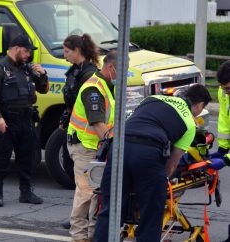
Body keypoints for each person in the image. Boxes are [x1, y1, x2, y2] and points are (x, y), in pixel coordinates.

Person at [94, 84, 212, 242]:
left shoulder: (152, 99)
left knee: (110, 211)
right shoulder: (189, 123)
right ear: (198, 106)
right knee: (151, 215)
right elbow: (172, 163)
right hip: (148, 153)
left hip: (118, 147)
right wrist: (160, 181)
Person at [0, 34, 49, 207]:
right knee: (2, 159)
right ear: (16, 48)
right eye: (26, 51)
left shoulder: (27, 69)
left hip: (25, 120)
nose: (28, 55)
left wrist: (42, 74)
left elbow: (43, 90)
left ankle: (26, 192)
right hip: (7, 121)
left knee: (26, 158)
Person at [67, 50, 117, 242]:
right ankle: (79, 237)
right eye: (123, 70)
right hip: (84, 146)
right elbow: (97, 123)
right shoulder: (93, 88)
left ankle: (93, 235)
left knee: (98, 194)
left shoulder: (106, 84)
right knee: (86, 192)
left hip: (97, 147)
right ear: (112, 68)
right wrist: (114, 144)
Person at [60, 33, 99, 230]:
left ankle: (82, 223)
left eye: (67, 52)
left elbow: (85, 106)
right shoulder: (76, 70)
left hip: (85, 138)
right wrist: (65, 119)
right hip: (74, 130)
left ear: (77, 51)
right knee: (80, 183)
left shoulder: (89, 74)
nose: (64, 55)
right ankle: (79, 218)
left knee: (85, 185)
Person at [210, 60, 230, 159]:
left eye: (229, 88)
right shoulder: (223, 92)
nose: (226, 92)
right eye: (224, 88)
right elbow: (224, 118)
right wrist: (223, 148)